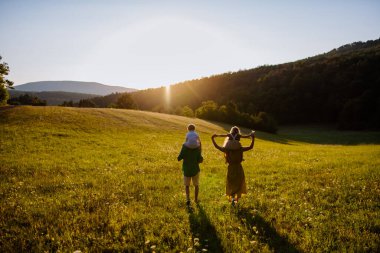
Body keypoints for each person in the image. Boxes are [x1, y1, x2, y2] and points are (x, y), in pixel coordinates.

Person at [211, 129, 255, 206]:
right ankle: (236, 200)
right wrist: (253, 138)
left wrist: (213, 139)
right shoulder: (240, 149)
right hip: (239, 168)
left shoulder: (227, 149)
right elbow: (250, 147)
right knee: (238, 183)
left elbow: (217, 147)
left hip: (230, 168)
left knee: (231, 183)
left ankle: (232, 199)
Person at [178, 124, 203, 205]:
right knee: (196, 185)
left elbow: (179, 158)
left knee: (187, 186)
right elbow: (200, 160)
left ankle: (188, 199)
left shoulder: (184, 147)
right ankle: (196, 200)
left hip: (186, 169)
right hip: (195, 169)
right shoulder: (197, 148)